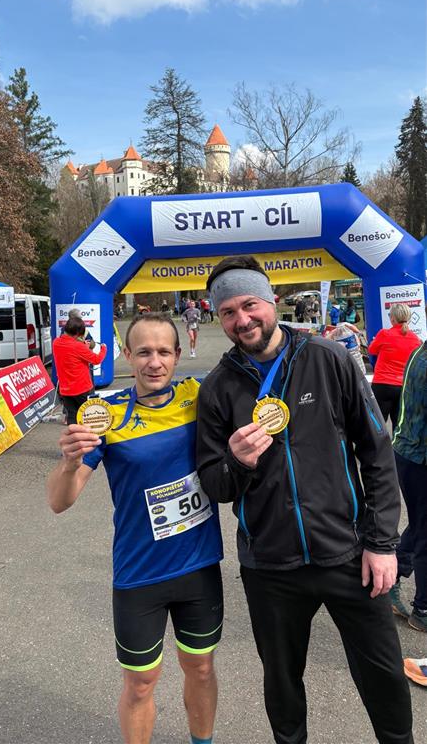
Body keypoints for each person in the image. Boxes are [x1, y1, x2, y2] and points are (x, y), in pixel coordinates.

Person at [196, 254, 413, 744]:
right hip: (270, 565)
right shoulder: (218, 388)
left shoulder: (328, 358)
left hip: (349, 554)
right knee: (282, 684)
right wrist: (237, 462)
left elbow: (376, 451)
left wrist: (381, 543)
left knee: (383, 676)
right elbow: (216, 485)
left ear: (271, 300)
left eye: (249, 304)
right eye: (228, 312)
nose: (242, 319)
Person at [47, 313, 224, 744]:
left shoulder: (199, 395)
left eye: (163, 351)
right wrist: (69, 463)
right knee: (141, 683)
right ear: (127, 355)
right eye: (143, 352)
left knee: (201, 668)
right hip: (139, 573)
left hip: (198, 566)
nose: (154, 362)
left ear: (178, 355)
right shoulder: (106, 416)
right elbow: (59, 501)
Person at [389, 339, 427, 632]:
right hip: (418, 457)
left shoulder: (419, 351)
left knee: (420, 524)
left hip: (409, 452)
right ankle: (423, 609)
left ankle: (394, 572)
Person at [368, 304, 421, 429]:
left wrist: (376, 341)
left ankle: (379, 442)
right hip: (403, 386)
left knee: (377, 425)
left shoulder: (384, 334)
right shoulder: (415, 339)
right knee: (399, 426)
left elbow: (371, 350)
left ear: (392, 318)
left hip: (382, 384)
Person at [52, 317, 107, 424]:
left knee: (72, 417)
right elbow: (96, 360)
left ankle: (74, 434)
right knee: (89, 418)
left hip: (65, 389)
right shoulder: (78, 347)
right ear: (77, 334)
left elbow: (71, 354)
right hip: (82, 388)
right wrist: (103, 349)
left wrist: (83, 347)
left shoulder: (56, 343)